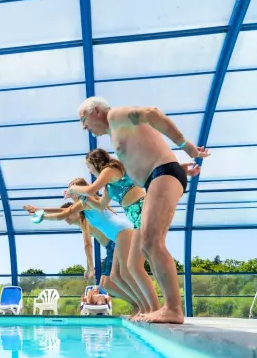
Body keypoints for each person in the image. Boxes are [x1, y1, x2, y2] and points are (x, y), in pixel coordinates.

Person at [77, 96, 209, 323]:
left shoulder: (115, 115)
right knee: (148, 247)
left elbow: (152, 113)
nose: (83, 126)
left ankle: (173, 308)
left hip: (162, 173)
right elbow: (144, 154)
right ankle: (165, 307)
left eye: (83, 119)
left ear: (96, 110)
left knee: (151, 243)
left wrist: (185, 146)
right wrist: (179, 166)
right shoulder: (117, 132)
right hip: (160, 174)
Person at [66, 148, 201, 320]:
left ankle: (156, 308)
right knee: (131, 267)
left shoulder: (110, 169)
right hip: (136, 217)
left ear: (95, 162)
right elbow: (100, 205)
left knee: (140, 262)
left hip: (142, 208)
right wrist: (83, 198)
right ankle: (150, 308)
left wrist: (74, 189)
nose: (89, 170)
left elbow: (92, 188)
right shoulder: (109, 185)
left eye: (89, 166)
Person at [25, 178, 154, 316]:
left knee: (125, 274)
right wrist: (40, 210)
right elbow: (65, 211)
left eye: (71, 188)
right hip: (117, 237)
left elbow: (66, 218)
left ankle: (148, 307)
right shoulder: (83, 206)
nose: (68, 191)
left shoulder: (88, 202)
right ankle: (141, 306)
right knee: (114, 278)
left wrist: (43, 216)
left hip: (122, 234)